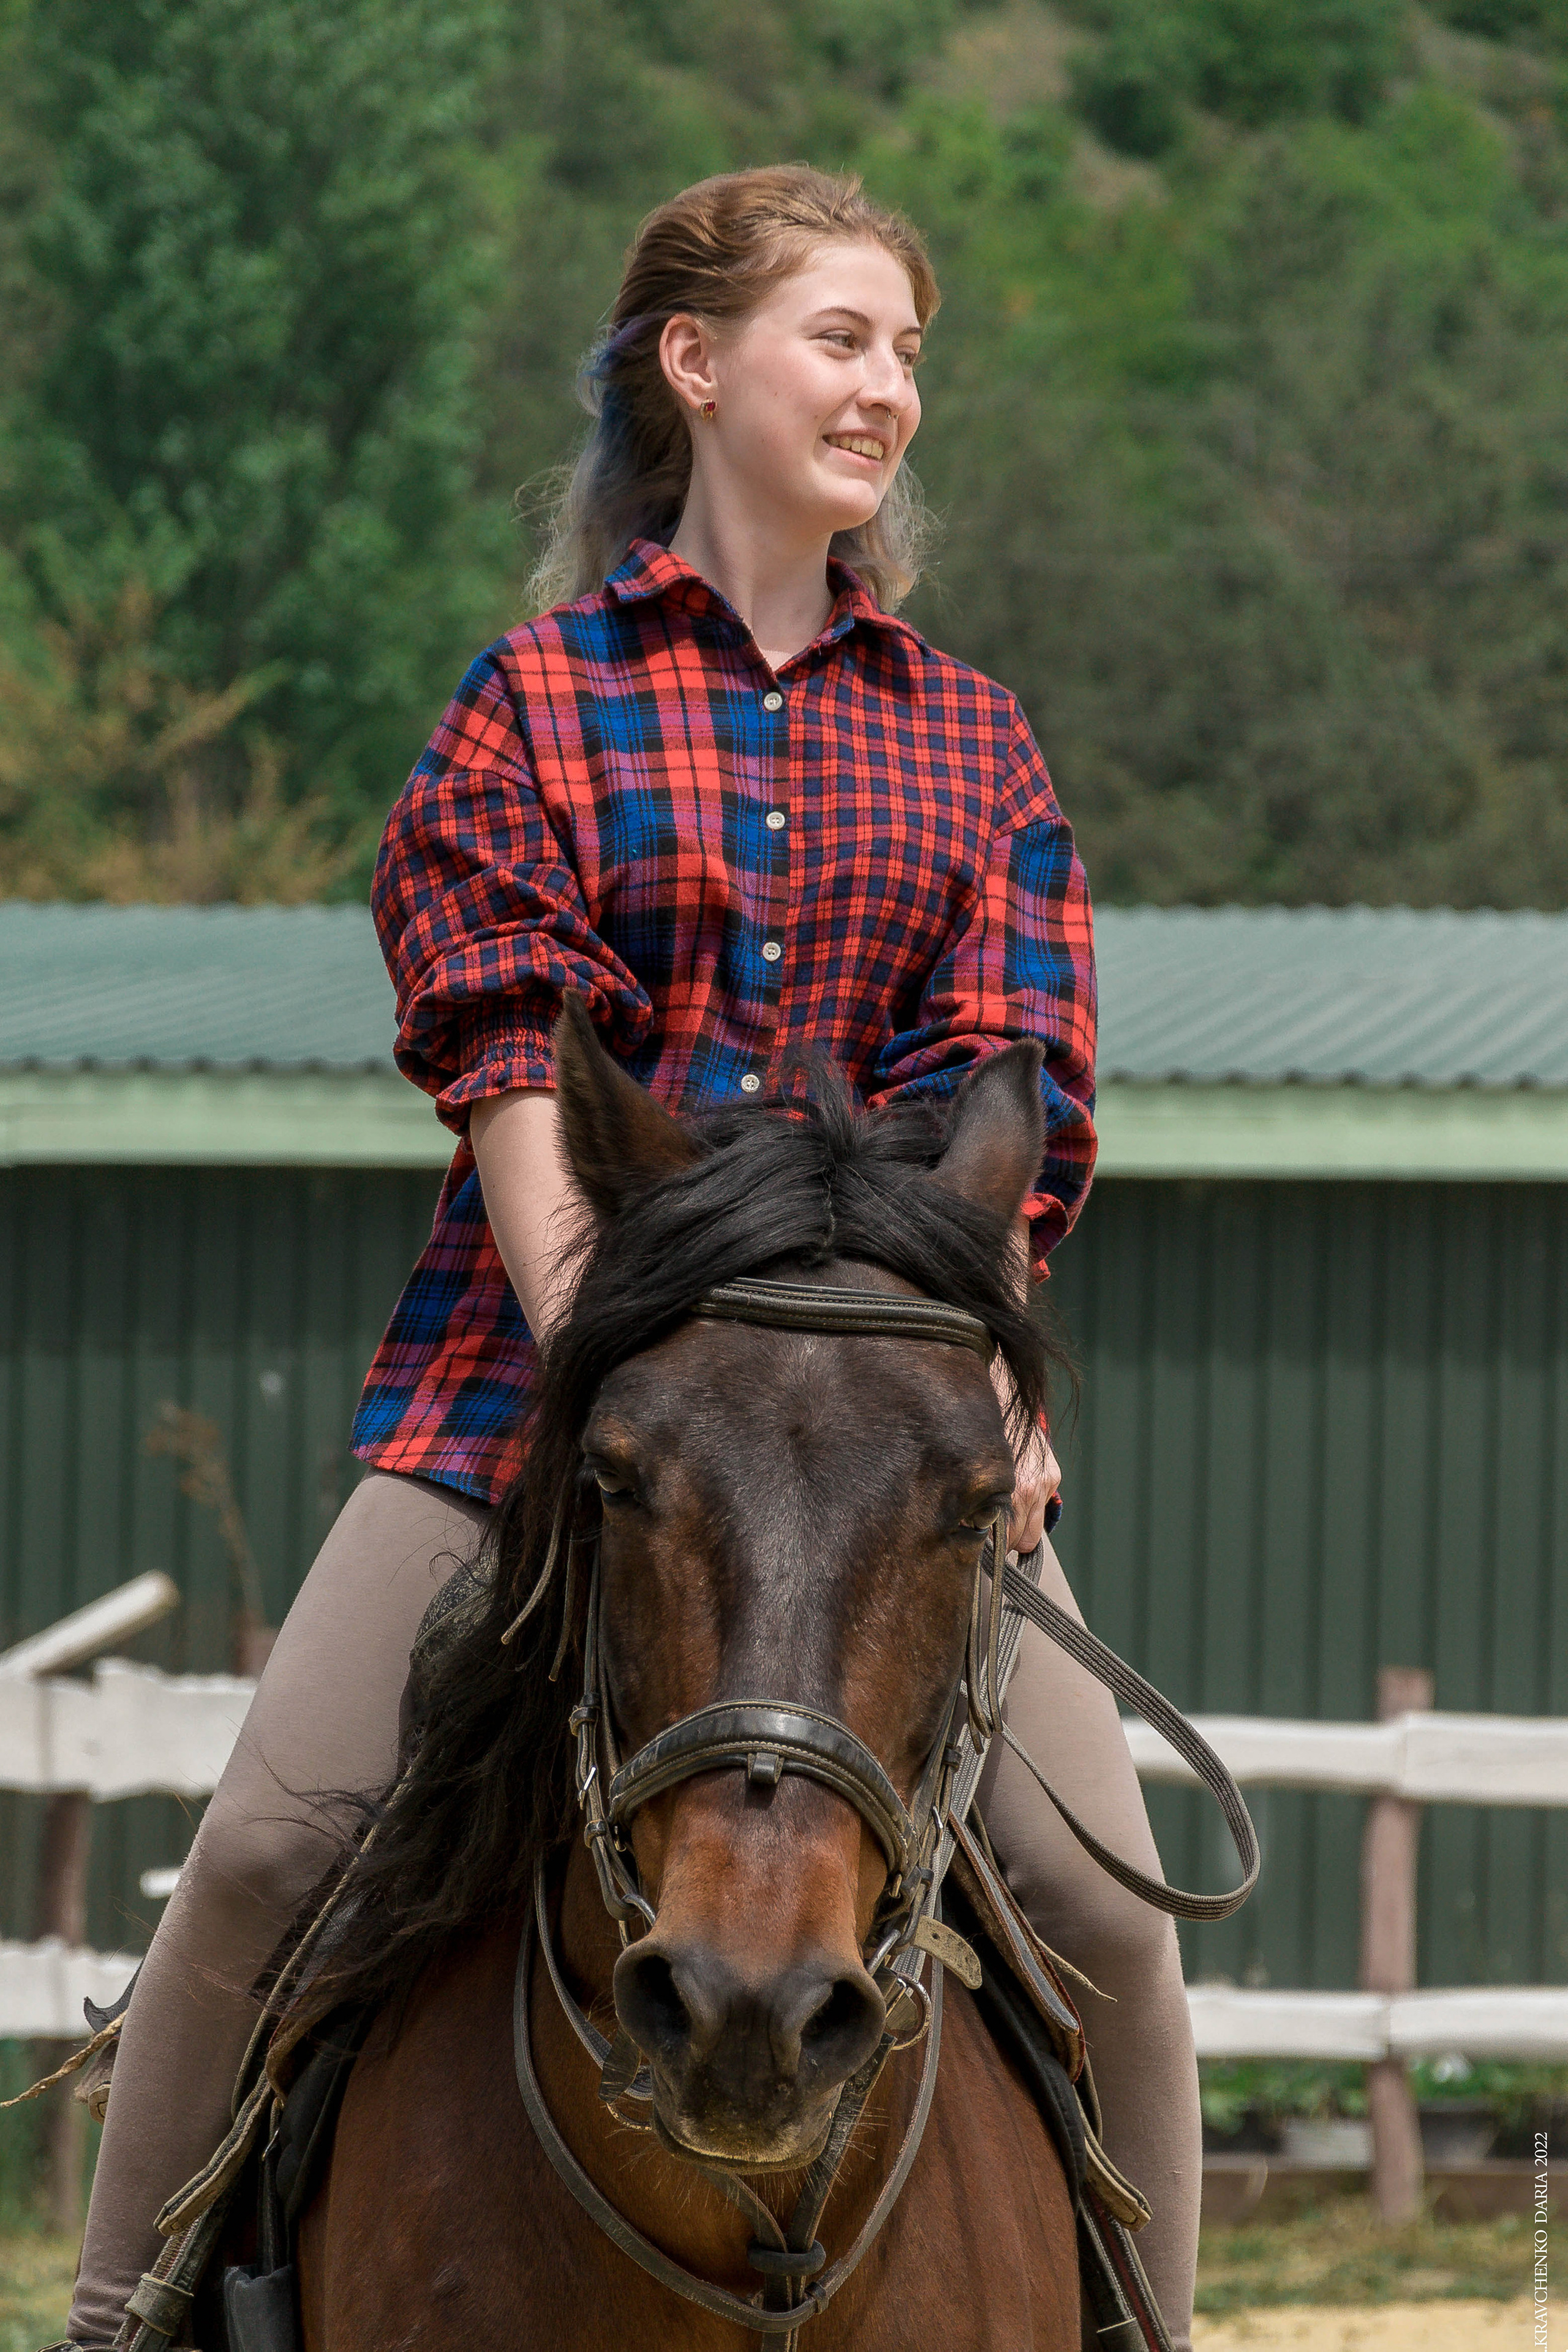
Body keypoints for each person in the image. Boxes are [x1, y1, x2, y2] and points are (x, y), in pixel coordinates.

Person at [64, 165, 1201, 2352]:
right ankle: (114, 2327)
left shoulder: (976, 744)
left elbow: (1016, 1106)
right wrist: (608, 1362)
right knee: (262, 1867)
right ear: (698, 364)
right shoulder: (533, 704)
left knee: (1107, 1920)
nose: (890, 390)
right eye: (844, 339)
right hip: (536, 1389)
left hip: (889, 1442)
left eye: (910, 355)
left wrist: (1000, 1397)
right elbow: (511, 1060)